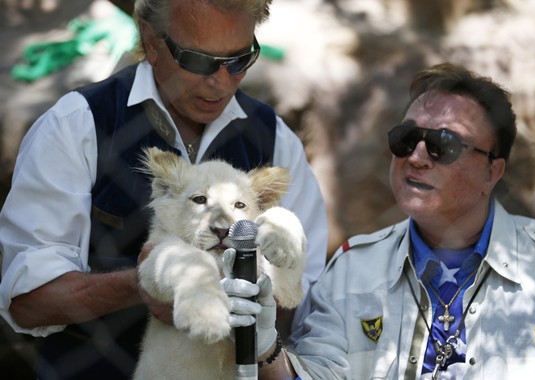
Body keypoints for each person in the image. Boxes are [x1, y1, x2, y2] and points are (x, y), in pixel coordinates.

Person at [0, 0, 328, 378]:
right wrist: (150, 283)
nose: (221, 81)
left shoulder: (275, 140)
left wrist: (257, 284)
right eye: (199, 60)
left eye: (239, 59)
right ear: (150, 39)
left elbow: (308, 302)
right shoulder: (77, 125)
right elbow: (28, 301)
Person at [226, 62, 535, 379]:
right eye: (407, 139)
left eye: (445, 144)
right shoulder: (351, 271)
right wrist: (266, 348)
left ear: (493, 171)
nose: (416, 157)